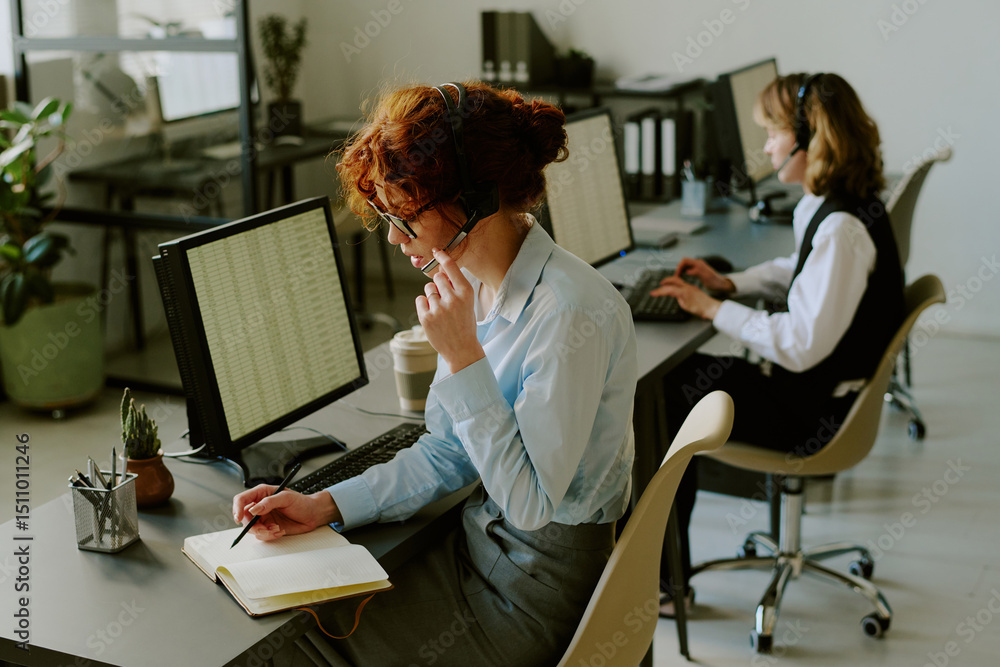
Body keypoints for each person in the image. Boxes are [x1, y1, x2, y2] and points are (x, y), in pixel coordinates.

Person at [232, 81, 638, 666]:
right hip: (484, 545)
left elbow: (529, 506)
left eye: (406, 217)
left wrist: (465, 356)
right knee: (300, 612)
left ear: (472, 200)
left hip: (533, 590)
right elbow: (450, 452)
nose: (395, 239)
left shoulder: (569, 312)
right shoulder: (475, 287)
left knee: (285, 646)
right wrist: (325, 504)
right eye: (386, 216)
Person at [650, 72, 904, 617]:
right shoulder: (836, 203)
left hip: (814, 412)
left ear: (809, 139)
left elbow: (800, 344)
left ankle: (666, 586)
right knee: (680, 380)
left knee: (660, 399)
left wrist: (714, 310)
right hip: (816, 390)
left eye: (771, 133)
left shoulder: (842, 229)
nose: (764, 147)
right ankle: (664, 576)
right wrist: (731, 284)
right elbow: (801, 270)